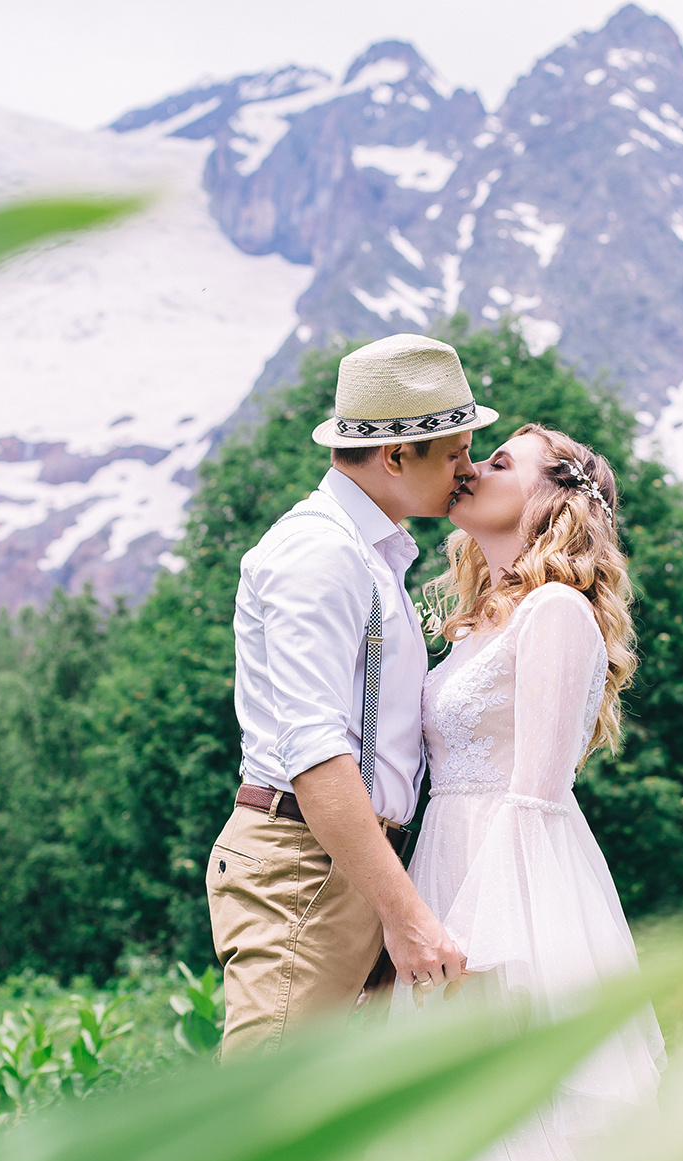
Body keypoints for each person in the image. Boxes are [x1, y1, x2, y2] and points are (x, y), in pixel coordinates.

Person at [400, 424, 683, 1161]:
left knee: (526, 1137)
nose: (472, 469)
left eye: (499, 463)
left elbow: (538, 793)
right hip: (446, 861)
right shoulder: (470, 623)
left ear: (554, 498)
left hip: (514, 886)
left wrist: (477, 943)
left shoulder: (557, 610)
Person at [206, 333, 486, 1055]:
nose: (468, 469)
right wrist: (408, 916)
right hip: (305, 864)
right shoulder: (319, 553)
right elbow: (315, 751)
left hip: (350, 860)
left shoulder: (370, 552)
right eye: (454, 451)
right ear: (396, 456)